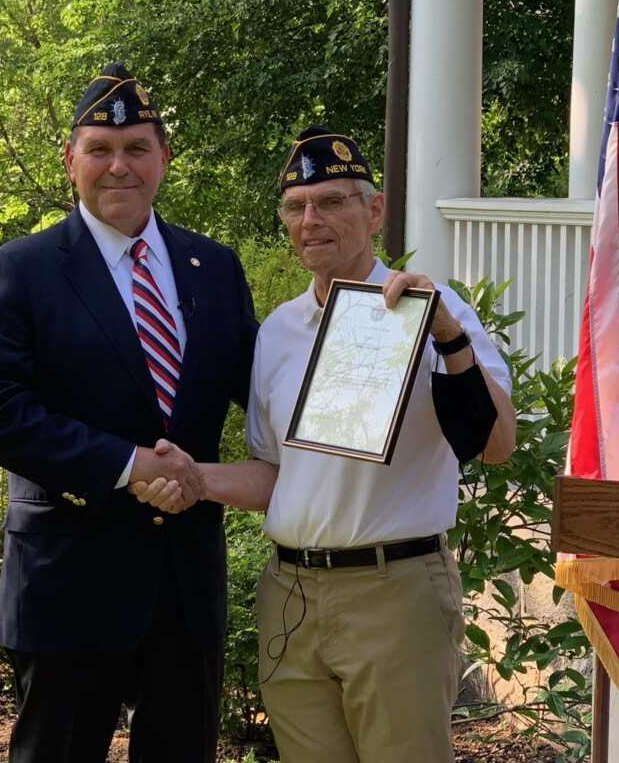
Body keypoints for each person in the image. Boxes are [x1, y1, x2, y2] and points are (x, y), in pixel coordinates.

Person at [132, 125, 516, 762]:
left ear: (374, 210)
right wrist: (191, 475)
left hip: (393, 591)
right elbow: (277, 473)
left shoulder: (432, 310)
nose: (311, 220)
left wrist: (446, 337)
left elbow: (496, 444)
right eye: (296, 206)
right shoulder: (279, 331)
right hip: (291, 596)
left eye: (333, 202)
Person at [0, 61, 258, 763]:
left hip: (184, 585)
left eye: (137, 149)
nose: (119, 166)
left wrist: (375, 329)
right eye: (100, 150)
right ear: (71, 161)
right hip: (69, 581)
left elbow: (266, 387)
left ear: (164, 159)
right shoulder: (21, 269)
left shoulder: (215, 266)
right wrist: (127, 465)